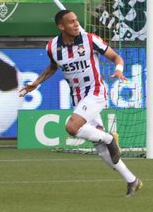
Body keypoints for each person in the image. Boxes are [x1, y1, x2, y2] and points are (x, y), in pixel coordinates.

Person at [19, 10, 142, 197]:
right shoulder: (52, 47)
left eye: (77, 21)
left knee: (72, 127)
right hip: (78, 98)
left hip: (95, 91)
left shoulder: (90, 39)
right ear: (61, 26)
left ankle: (110, 138)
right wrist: (36, 83)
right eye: (71, 22)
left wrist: (118, 70)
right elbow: (53, 67)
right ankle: (132, 180)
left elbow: (117, 57)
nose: (76, 24)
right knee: (101, 150)